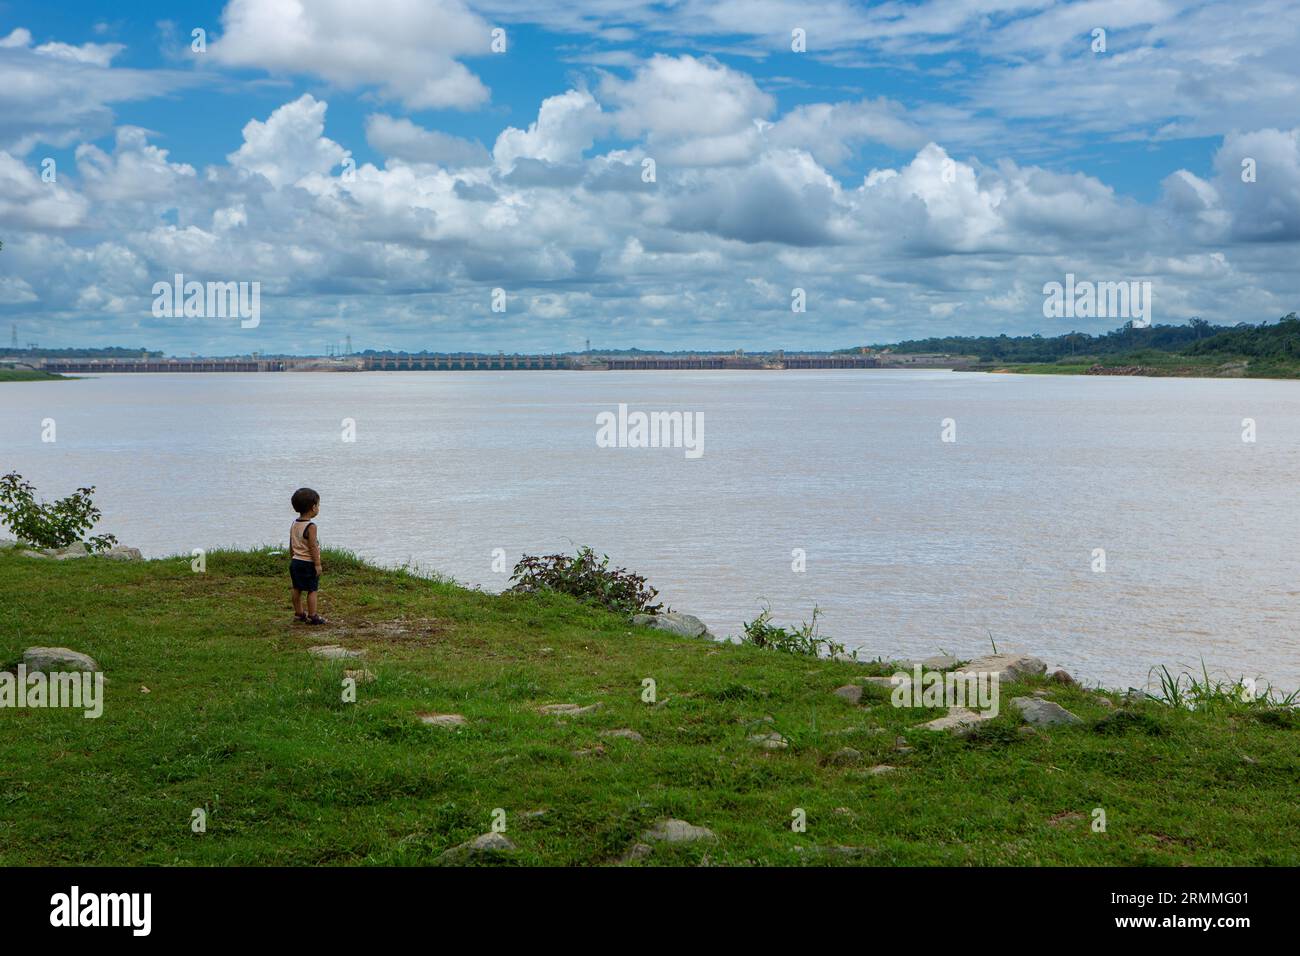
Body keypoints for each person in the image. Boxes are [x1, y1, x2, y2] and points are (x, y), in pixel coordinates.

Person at [289, 487, 325, 624]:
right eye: (318, 505)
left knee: (296, 588)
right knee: (312, 589)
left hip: (296, 562)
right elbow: (313, 546)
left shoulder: (294, 523)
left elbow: (291, 543)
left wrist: (292, 556)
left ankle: (299, 613)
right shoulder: (311, 526)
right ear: (313, 507)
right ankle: (313, 615)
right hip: (307, 563)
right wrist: (317, 564)